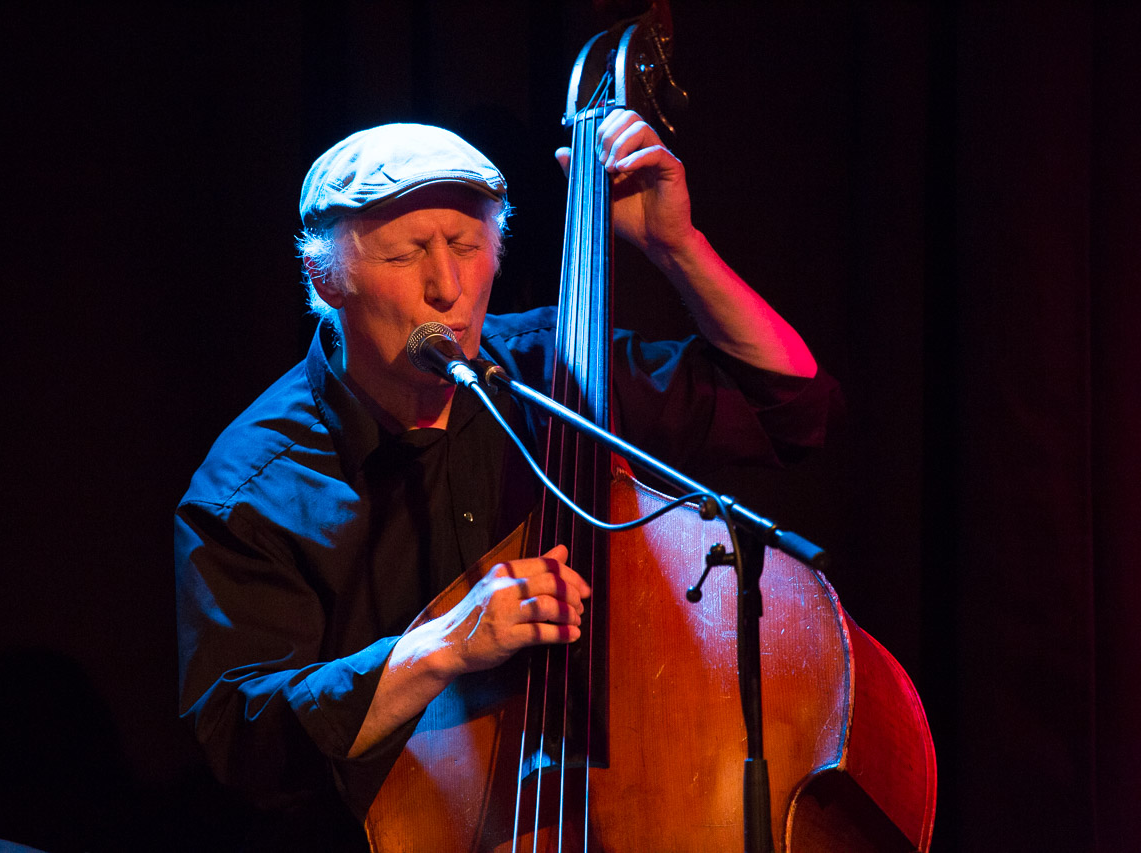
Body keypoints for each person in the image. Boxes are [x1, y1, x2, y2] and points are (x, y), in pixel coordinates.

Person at [174, 110, 838, 850]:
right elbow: (242, 737)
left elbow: (788, 408)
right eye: (405, 255)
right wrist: (440, 645)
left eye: (467, 247)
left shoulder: (556, 371)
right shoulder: (255, 485)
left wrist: (677, 248)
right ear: (325, 278)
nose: (447, 287)